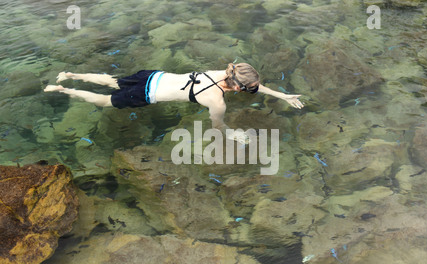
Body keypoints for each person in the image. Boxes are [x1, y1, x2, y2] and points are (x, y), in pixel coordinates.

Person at [44, 63, 304, 142]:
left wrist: (283, 95)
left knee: (112, 81)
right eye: (247, 90)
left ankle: (70, 74)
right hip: (147, 95)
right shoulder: (217, 102)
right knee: (104, 102)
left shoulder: (221, 72)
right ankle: (62, 89)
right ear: (237, 87)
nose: (250, 91)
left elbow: (254, 85)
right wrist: (234, 134)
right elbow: (217, 128)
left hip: (151, 75)